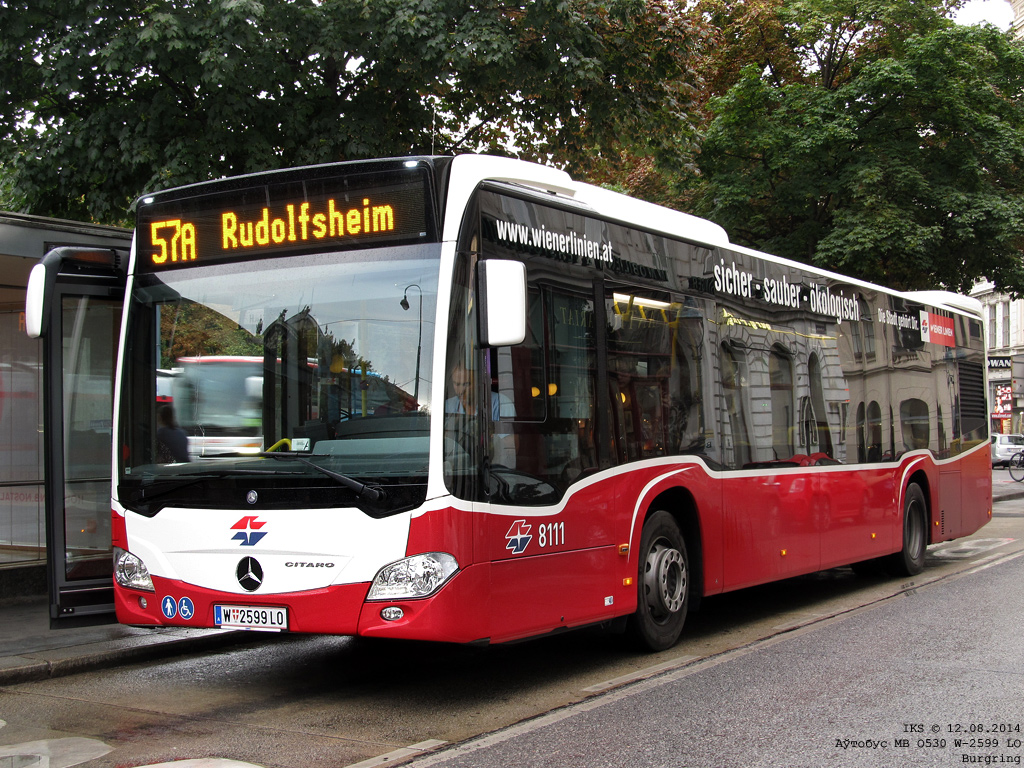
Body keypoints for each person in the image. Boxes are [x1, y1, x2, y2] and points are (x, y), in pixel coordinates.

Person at [445, 361, 516, 465]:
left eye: (466, 384)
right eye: (457, 384)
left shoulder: (501, 403)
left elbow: (510, 450)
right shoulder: (447, 406)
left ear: (479, 382)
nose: (461, 391)